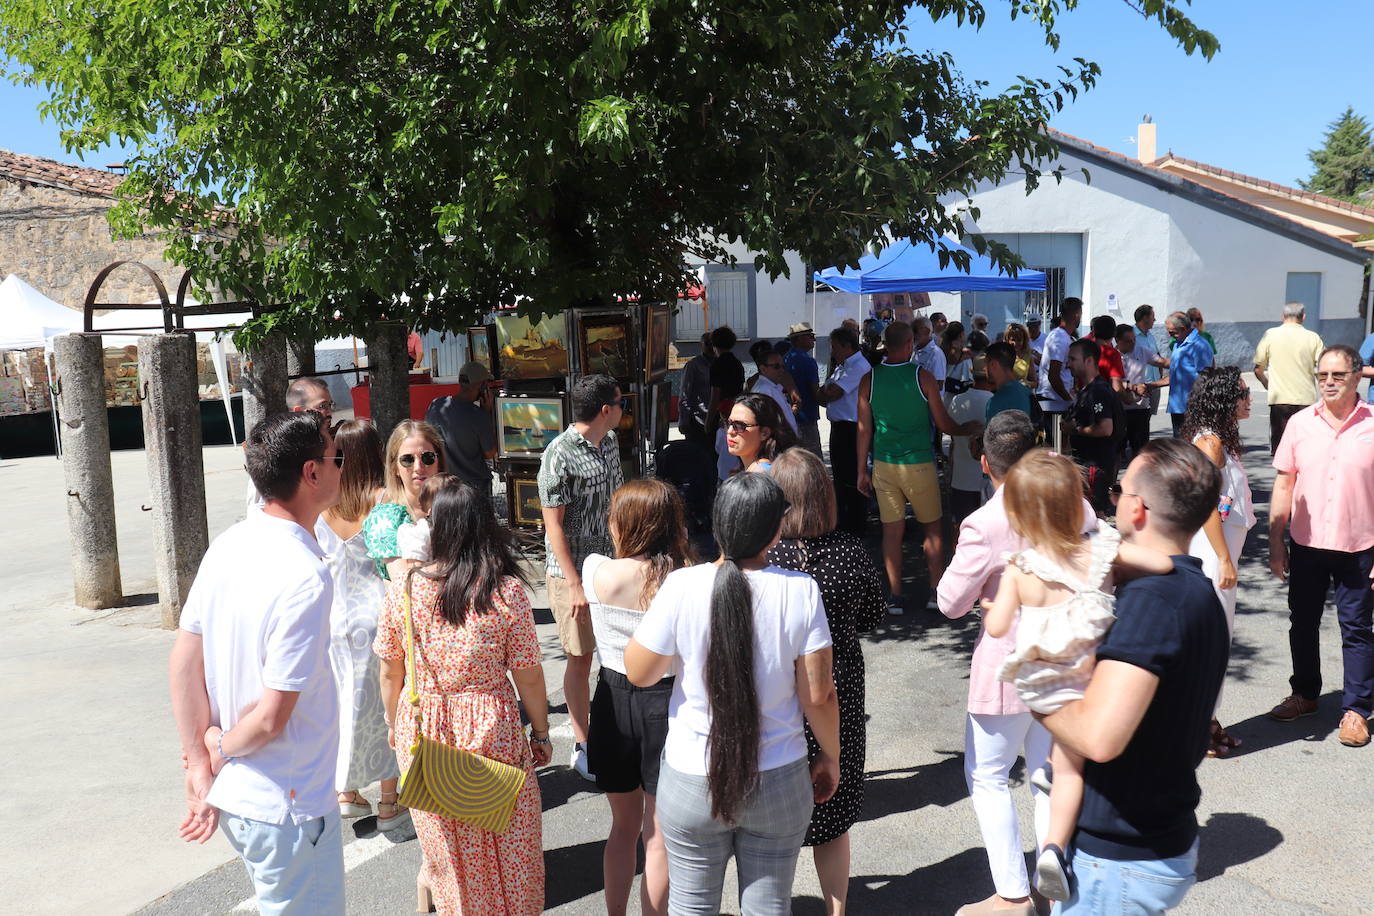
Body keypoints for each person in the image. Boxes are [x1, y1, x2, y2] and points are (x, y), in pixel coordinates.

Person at [624, 473, 841, 916]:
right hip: (779, 776)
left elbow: (639, 672)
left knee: (692, 905)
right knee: (769, 905)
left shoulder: (682, 586)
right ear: (776, 530)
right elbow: (818, 695)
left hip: (691, 776)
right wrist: (831, 757)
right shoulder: (801, 591)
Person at [1036, 439, 1227, 914]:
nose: (1114, 500)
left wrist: (1032, 684)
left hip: (1116, 863)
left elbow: (1098, 739)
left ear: (1137, 509)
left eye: (1120, 490)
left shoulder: (1155, 604)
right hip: (1155, 840)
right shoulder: (1192, 589)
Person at [169, 411, 344, 914]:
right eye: (336, 457)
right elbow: (271, 716)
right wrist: (216, 750)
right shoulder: (306, 575)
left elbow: (184, 659)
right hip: (287, 801)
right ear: (311, 473)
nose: (341, 468)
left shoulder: (229, 543)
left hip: (248, 797)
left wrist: (200, 762)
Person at [982, 449, 1172, 902]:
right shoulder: (1102, 550)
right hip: (1096, 683)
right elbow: (1164, 564)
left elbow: (996, 628)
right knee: (1068, 771)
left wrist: (995, 607)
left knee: (1065, 772)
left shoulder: (1020, 569)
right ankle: (1054, 833)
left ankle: (1052, 840)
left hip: (1048, 690)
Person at [938, 414, 1096, 916]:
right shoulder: (1076, 506)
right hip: (1066, 661)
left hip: (1009, 665)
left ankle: (1011, 893)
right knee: (1048, 774)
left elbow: (949, 601)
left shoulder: (984, 522)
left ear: (984, 463)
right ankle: (1055, 873)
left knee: (987, 777)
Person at [375, 477, 551, 914]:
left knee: (450, 859)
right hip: (492, 724)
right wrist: (542, 732)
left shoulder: (406, 589)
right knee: (510, 850)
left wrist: (395, 725)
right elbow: (528, 675)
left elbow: (389, 670)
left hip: (424, 729)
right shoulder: (506, 591)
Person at [767, 449, 886, 916]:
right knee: (833, 819)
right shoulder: (849, 552)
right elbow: (872, 618)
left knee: (772, 825)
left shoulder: (763, 559)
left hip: (775, 694)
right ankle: (836, 910)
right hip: (840, 691)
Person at [584, 480, 694, 916]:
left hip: (611, 701)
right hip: (665, 703)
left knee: (622, 827)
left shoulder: (598, 571)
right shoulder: (682, 580)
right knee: (658, 835)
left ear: (624, 523)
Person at [1267, 345, 1374, 748]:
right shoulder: (1299, 424)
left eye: (1337, 375)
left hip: (1360, 546)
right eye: (1322, 375)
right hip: (1308, 544)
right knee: (1303, 622)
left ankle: (1357, 710)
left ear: (1357, 376)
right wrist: (1276, 544)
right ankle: (1306, 694)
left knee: (1358, 629)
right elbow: (1283, 484)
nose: (1328, 382)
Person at [315, 419, 405, 830]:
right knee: (387, 710)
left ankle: (346, 792)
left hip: (335, 620)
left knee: (343, 707)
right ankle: (390, 802)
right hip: (378, 615)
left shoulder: (323, 504)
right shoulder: (384, 500)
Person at [857, 320, 981, 614]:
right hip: (920, 464)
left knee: (891, 533)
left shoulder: (869, 379)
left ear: (886, 345)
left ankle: (895, 595)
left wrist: (861, 469)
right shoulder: (923, 377)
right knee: (933, 531)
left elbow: (863, 429)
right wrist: (966, 430)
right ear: (910, 345)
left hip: (885, 465)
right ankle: (935, 591)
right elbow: (943, 423)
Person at [537, 374, 626, 779]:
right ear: (605, 410)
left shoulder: (609, 442)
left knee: (614, 652)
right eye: (620, 403)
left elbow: (617, 503)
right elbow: (552, 526)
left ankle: (610, 732)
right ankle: (582, 742)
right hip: (571, 569)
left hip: (610, 563)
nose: (624, 410)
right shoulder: (558, 453)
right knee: (580, 656)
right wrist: (573, 582)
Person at [1179, 366, 1256, 758]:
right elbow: (1208, 505)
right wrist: (1224, 560)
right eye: (1242, 392)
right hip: (1213, 558)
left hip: (1221, 555)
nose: (1249, 398)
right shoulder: (1209, 442)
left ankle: (1206, 722)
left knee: (1215, 644)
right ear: (1224, 398)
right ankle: (1199, 727)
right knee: (1212, 645)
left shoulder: (1219, 439)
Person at [364, 420, 447, 582]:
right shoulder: (386, 518)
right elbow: (404, 583)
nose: (418, 467)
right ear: (394, 467)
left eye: (427, 457)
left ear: (439, 461)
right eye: (407, 460)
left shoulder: (458, 504)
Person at [245, 376, 335, 512]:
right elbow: (258, 508)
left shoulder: (330, 443)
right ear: (299, 411)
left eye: (330, 405)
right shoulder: (276, 454)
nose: (329, 412)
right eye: (322, 406)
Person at [817, 325, 871, 536]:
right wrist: (823, 393)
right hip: (840, 426)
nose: (832, 351)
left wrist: (823, 392)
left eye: (834, 347)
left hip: (851, 427)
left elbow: (832, 393)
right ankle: (845, 521)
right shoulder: (844, 365)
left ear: (846, 345)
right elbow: (824, 393)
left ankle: (855, 525)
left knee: (850, 477)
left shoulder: (857, 366)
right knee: (841, 476)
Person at [1253, 302, 1325, 454]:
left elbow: (1258, 369)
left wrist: (1268, 384)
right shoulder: (1313, 338)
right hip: (1306, 401)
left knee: (1281, 452)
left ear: (1283, 316)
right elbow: (1323, 369)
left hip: (1280, 401)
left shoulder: (1270, 335)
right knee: (1304, 449)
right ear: (1303, 317)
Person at [1063, 338, 1124, 514]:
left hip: (1094, 467)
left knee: (1094, 517)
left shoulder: (1098, 391)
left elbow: (1105, 428)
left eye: (1073, 359)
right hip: (1088, 465)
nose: (1068, 364)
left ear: (1089, 361)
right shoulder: (1088, 390)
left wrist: (1073, 429)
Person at [424, 361, 497, 491]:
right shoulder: (478, 415)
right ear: (481, 386)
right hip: (474, 486)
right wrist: (487, 413)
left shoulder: (436, 405)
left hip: (443, 485)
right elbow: (490, 453)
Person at [1147, 311, 1213, 438]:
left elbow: (1206, 377)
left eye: (1171, 332)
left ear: (1183, 329)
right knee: (1181, 447)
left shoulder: (1199, 345)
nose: (1169, 336)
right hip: (1178, 406)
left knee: (1192, 447)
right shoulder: (1179, 343)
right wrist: (1152, 385)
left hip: (1193, 407)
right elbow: (1177, 373)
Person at [947, 354, 995, 525]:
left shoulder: (956, 401)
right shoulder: (994, 402)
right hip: (988, 481)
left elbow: (952, 439)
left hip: (961, 478)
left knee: (961, 532)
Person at [1036, 299, 1082, 449]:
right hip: (1053, 403)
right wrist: (1069, 399)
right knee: (1056, 449)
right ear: (1076, 316)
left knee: (1062, 447)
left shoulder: (1062, 336)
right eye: (1080, 314)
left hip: (1057, 401)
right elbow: (1053, 375)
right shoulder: (1059, 338)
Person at [706, 326, 747, 480]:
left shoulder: (717, 365)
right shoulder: (737, 363)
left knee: (721, 453)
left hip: (723, 411)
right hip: (738, 409)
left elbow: (715, 395)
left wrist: (708, 420)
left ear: (714, 344)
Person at [726, 392, 799, 474]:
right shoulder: (760, 470)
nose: (730, 431)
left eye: (740, 425)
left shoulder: (762, 475)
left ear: (764, 433)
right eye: (729, 423)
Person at [1113, 323, 1153, 463]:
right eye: (1129, 341)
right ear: (1118, 340)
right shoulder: (1112, 356)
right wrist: (1130, 387)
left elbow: (1162, 362)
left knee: (1141, 451)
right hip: (1118, 410)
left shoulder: (1142, 351)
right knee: (1117, 451)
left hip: (1140, 409)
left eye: (1134, 339)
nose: (1133, 343)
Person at [783, 323, 824, 457]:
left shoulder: (786, 358)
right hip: (806, 417)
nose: (814, 339)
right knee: (812, 460)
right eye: (810, 336)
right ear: (799, 339)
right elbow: (815, 392)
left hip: (789, 417)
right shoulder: (808, 361)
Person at [1131, 305, 1170, 417]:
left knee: (1148, 419)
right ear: (1145, 318)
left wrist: (1160, 376)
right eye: (1153, 316)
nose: (1155, 319)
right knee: (1139, 419)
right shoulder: (1131, 336)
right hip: (1140, 386)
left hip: (1154, 384)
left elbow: (1157, 355)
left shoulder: (1150, 336)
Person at [678, 333, 717, 448]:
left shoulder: (720, 364)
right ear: (701, 345)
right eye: (707, 344)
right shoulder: (693, 365)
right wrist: (683, 420)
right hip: (698, 421)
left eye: (713, 344)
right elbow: (685, 394)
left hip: (717, 421)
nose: (710, 347)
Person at [748, 348, 800, 432]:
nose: (782, 370)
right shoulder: (764, 391)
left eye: (783, 366)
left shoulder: (772, 388)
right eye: (776, 366)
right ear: (763, 369)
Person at [984, 342, 1033, 420]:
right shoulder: (1027, 393)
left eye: (986, 364)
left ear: (993, 364)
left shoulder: (996, 401)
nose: (984, 369)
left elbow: (993, 432)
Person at [1087, 315, 1125, 395]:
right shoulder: (1112, 354)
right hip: (1103, 399)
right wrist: (1130, 398)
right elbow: (1116, 387)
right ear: (1114, 333)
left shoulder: (1084, 349)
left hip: (1084, 399)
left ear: (1093, 331)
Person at [913, 315, 948, 385]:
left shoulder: (936, 354)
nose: (912, 334)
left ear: (926, 331)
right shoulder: (914, 351)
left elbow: (939, 383)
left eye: (915, 330)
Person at [1001, 323, 1038, 390]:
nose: (1015, 343)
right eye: (1013, 340)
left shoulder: (1028, 357)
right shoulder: (1001, 356)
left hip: (1023, 397)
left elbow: (1034, 383)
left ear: (1024, 341)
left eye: (1019, 340)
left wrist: (1027, 384)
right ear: (1007, 339)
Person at [942, 321, 972, 395]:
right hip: (958, 398)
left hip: (944, 394)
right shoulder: (965, 357)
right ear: (961, 335)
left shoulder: (942, 350)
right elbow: (968, 381)